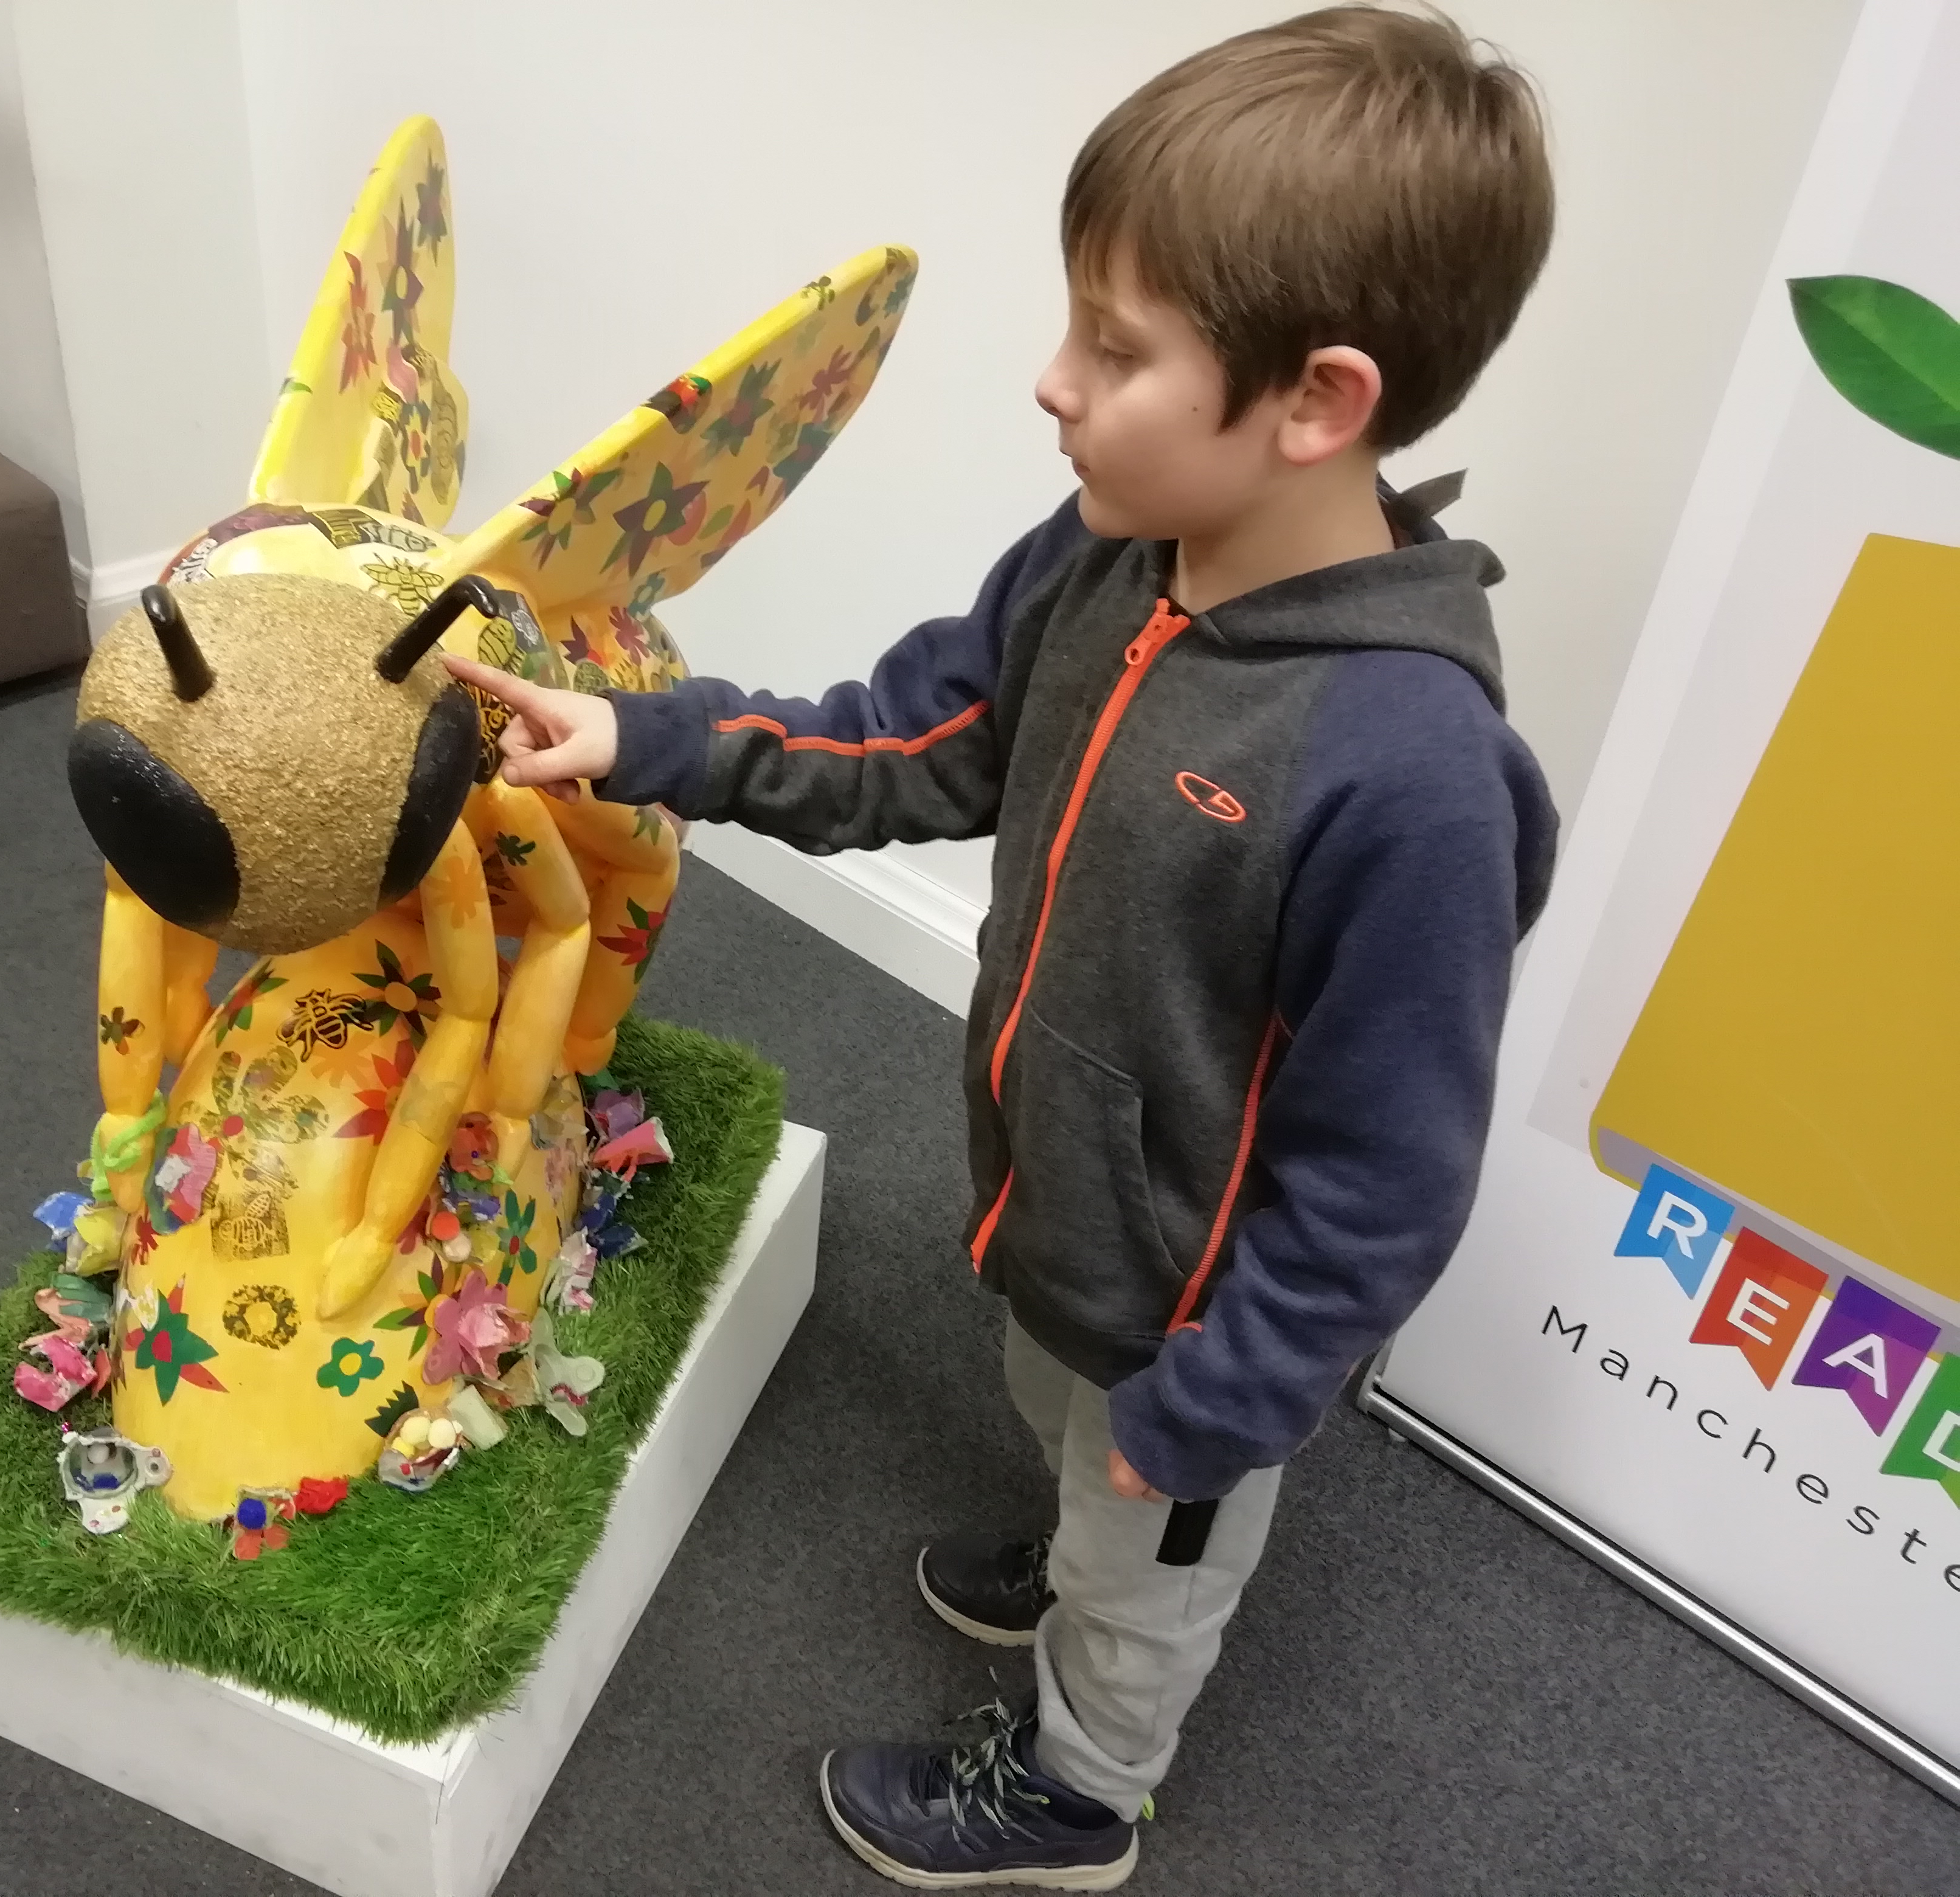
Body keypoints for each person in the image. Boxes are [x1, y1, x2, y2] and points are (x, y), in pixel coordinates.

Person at [446, 6, 1558, 1886]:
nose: (1053, 381)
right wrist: (652, 740)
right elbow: (920, 737)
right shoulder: (1112, 553)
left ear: (1317, 402)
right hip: (1062, 1207)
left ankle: (1076, 1796)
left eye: (1115, 348)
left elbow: (1385, 1177)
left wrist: (1215, 1405)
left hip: (1193, 1321)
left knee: (1144, 1567)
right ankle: (1080, 1526)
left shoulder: (1417, 779)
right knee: (1062, 1410)